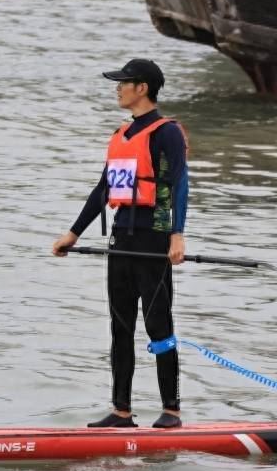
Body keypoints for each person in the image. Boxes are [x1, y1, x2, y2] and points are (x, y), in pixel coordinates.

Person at [52, 58, 189, 429]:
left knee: (158, 324)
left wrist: (177, 235)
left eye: (123, 83)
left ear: (142, 88)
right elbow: (103, 189)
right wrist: (73, 233)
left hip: (154, 240)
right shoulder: (121, 136)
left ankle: (171, 411)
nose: (118, 88)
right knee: (120, 326)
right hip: (120, 240)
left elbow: (180, 184)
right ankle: (121, 412)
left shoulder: (166, 132)